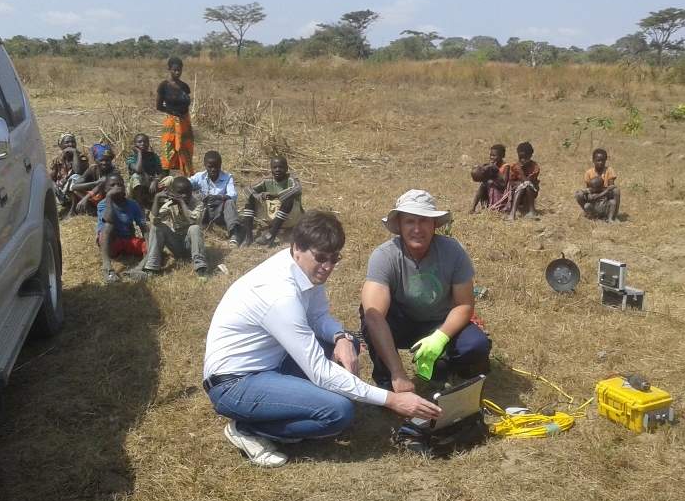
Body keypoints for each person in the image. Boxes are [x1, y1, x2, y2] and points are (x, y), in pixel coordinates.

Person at [203, 211, 441, 467]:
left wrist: (340, 337)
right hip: (235, 384)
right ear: (297, 249)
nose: (327, 267)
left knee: (347, 341)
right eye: (320, 258)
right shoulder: (279, 296)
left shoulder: (303, 269)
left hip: (273, 361)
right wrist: (393, 400)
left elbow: (317, 315)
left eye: (334, 258)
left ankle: (283, 410)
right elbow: (319, 372)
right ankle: (248, 429)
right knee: (338, 413)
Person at [360, 190, 492, 393]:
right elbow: (375, 318)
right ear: (399, 225)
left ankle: (440, 369)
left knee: (477, 345)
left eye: (424, 221)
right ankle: (387, 380)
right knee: (370, 313)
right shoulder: (384, 256)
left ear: (434, 225)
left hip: (439, 322)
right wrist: (398, 373)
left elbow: (465, 304)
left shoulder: (453, 251)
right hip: (401, 323)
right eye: (409, 222)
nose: (417, 229)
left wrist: (440, 337)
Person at [132, 176, 209, 279]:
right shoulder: (170, 204)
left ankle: (201, 268)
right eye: (180, 193)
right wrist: (157, 198)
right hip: (176, 243)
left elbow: (193, 220)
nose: (185, 196)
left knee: (194, 228)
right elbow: (154, 219)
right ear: (173, 193)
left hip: (191, 244)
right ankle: (152, 267)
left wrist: (181, 203)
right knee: (157, 227)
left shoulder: (197, 204)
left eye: (188, 192)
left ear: (192, 192)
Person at [240, 155, 304, 248]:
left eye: (281, 167)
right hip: (272, 217)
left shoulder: (291, 179)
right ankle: (248, 236)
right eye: (275, 167)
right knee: (250, 196)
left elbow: (298, 188)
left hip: (291, 217)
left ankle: (272, 234)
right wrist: (256, 195)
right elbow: (247, 189)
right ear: (271, 169)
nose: (277, 170)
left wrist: (276, 195)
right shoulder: (267, 180)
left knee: (289, 198)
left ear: (287, 168)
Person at [96, 173, 148, 284]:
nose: (116, 187)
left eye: (119, 184)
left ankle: (138, 269)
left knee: (153, 242)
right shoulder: (102, 204)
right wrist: (109, 198)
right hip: (111, 242)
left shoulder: (133, 205)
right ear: (106, 189)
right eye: (112, 185)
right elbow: (108, 220)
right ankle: (107, 267)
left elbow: (143, 226)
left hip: (128, 240)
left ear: (124, 187)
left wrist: (150, 242)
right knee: (108, 225)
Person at [189, 151, 242, 247]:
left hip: (219, 212)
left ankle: (234, 236)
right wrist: (193, 194)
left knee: (229, 202)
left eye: (216, 166)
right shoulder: (199, 176)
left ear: (220, 165)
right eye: (210, 167)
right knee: (188, 198)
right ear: (204, 165)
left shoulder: (227, 177)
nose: (213, 169)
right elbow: (184, 184)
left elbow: (233, 194)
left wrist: (218, 197)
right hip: (203, 211)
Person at [156, 56, 194, 176]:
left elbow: (186, 104)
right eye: (174, 70)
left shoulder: (185, 87)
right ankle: (164, 179)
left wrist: (182, 118)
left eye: (179, 70)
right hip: (171, 123)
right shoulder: (164, 86)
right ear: (169, 69)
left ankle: (187, 179)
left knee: (186, 150)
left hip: (185, 123)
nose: (177, 73)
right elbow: (159, 106)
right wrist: (172, 115)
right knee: (169, 150)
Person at [69, 144, 117, 220]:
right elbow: (74, 186)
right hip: (95, 197)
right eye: (101, 160)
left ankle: (100, 212)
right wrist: (95, 183)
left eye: (107, 160)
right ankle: (75, 211)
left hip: (109, 200)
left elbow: (101, 185)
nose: (104, 163)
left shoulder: (114, 171)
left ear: (111, 161)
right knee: (75, 186)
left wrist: (86, 198)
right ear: (96, 160)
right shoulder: (92, 169)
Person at [575, 148, 621, 223]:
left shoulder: (609, 170)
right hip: (594, 197)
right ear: (593, 160)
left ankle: (613, 216)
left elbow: (611, 187)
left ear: (606, 160)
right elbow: (589, 189)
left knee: (616, 191)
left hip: (606, 196)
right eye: (598, 160)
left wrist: (601, 193)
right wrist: (590, 195)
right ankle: (591, 215)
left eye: (603, 161)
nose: (601, 163)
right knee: (579, 194)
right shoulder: (589, 172)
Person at [49, 132, 88, 210]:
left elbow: (77, 171)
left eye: (73, 142)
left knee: (75, 178)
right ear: (61, 145)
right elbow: (50, 177)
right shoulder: (57, 159)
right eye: (67, 143)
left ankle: (72, 210)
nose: (70, 145)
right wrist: (54, 184)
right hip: (61, 190)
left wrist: (75, 153)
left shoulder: (82, 157)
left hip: (77, 191)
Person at [468, 144, 511, 214]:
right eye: (490, 155)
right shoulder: (489, 166)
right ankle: (473, 208)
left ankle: (495, 207)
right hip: (490, 189)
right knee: (483, 185)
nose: (491, 157)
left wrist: (495, 174)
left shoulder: (505, 166)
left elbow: (504, 184)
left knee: (487, 184)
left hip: (502, 191)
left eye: (494, 155)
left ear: (502, 156)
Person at [127, 133, 166, 210]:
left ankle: (156, 204)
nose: (142, 144)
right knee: (136, 177)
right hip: (135, 189)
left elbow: (161, 173)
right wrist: (139, 153)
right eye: (139, 142)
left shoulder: (153, 157)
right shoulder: (131, 158)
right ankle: (140, 207)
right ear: (134, 145)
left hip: (150, 185)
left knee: (170, 179)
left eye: (145, 142)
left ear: (148, 144)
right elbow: (138, 170)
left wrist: (155, 181)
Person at [507, 142, 540, 221]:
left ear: (530, 156)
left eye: (525, 157)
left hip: (531, 191)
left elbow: (528, 182)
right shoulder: (515, 165)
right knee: (521, 187)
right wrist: (520, 184)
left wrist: (521, 171)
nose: (522, 160)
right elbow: (511, 182)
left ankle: (532, 210)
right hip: (516, 190)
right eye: (520, 157)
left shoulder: (535, 167)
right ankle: (513, 212)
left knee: (527, 185)